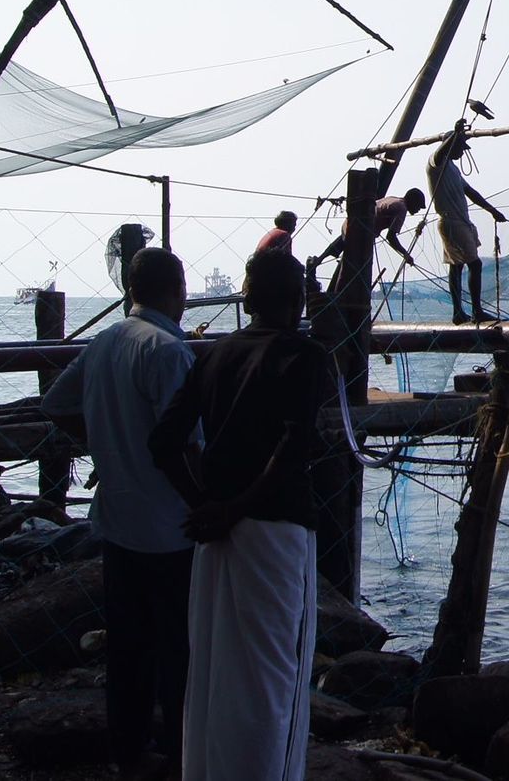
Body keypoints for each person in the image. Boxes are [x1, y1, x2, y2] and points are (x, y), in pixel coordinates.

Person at [149, 249, 327, 781]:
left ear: (248, 300)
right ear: (297, 299)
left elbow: (163, 443)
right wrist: (234, 508)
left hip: (216, 534)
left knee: (214, 669)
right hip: (275, 530)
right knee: (277, 674)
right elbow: (292, 446)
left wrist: (205, 504)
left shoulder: (214, 355)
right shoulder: (303, 355)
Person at [40, 247, 195, 779]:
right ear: (179, 290)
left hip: (118, 519)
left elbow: (55, 404)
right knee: (180, 647)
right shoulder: (168, 351)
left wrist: (105, 443)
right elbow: (182, 444)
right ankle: (182, 750)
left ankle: (128, 749)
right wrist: (206, 501)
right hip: (170, 525)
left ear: (131, 289)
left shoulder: (105, 341)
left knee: (128, 645)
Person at [425, 126, 507, 323]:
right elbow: (441, 151)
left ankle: (458, 312)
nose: (462, 152)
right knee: (475, 264)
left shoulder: (453, 169)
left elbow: (471, 192)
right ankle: (476, 311)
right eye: (460, 147)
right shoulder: (436, 164)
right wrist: (455, 134)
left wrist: (492, 210)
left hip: (460, 222)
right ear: (451, 145)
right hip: (451, 222)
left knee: (457, 267)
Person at [306, 188, 425, 288]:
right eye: (418, 206)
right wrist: (406, 254)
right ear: (412, 200)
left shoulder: (393, 199)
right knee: (353, 269)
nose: (418, 210)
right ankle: (339, 293)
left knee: (342, 246)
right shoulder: (401, 208)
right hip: (361, 234)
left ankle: (316, 262)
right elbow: (391, 237)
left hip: (351, 224)